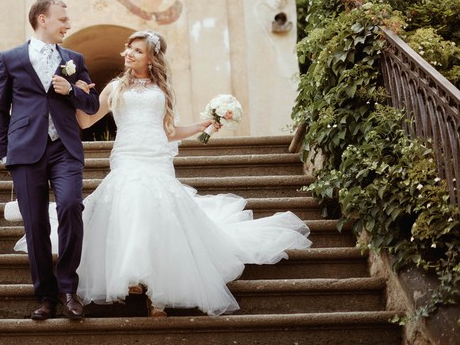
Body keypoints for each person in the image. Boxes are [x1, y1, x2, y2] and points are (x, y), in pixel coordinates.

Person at [16, 29, 311, 317]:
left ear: (151, 58)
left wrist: (202, 125)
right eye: (128, 48)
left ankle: (159, 295)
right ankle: (131, 276)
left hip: (157, 157)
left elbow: (169, 131)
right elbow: (85, 121)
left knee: (160, 215)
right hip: (128, 155)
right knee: (132, 203)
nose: (129, 53)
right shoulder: (114, 87)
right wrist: (74, 95)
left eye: (138, 50)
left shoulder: (163, 90)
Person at [0, 0, 100, 321]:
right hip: (25, 151)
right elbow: (0, 109)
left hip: (64, 148)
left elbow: (92, 104)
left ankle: (68, 288)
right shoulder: (10, 59)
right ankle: (45, 295)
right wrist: (4, 152)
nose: (68, 24)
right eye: (62, 19)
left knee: (70, 206)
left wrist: (73, 91)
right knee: (35, 224)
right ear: (42, 19)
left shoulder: (74, 59)